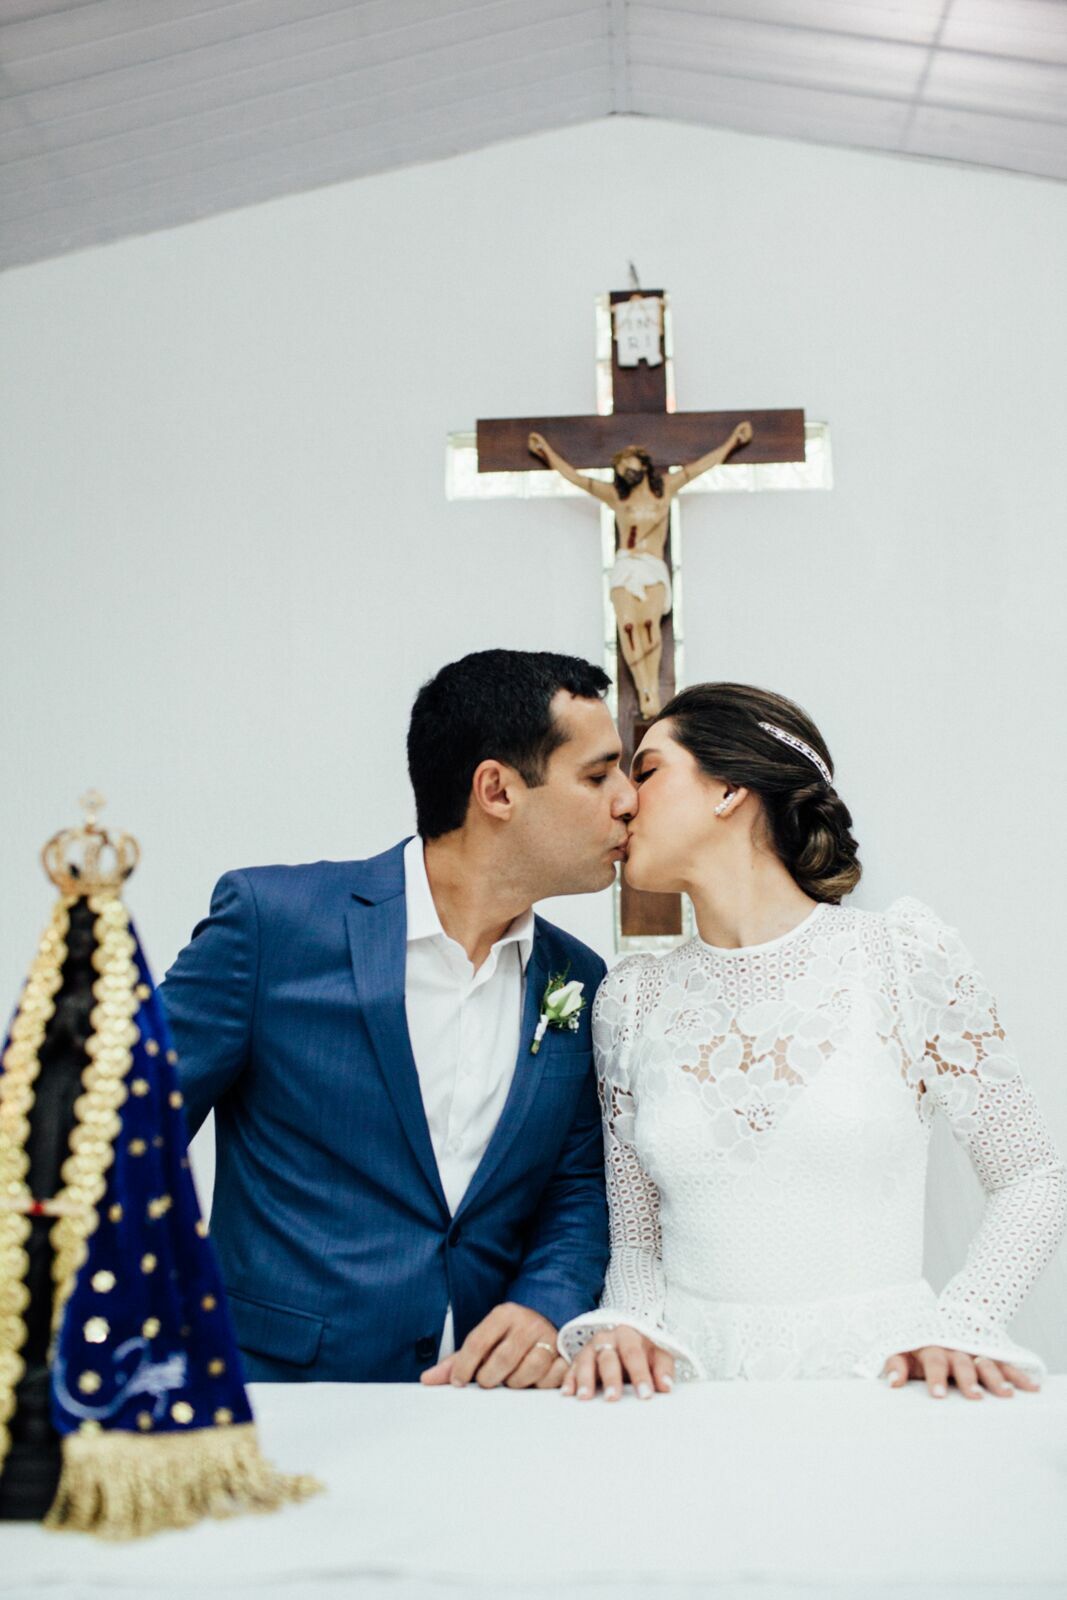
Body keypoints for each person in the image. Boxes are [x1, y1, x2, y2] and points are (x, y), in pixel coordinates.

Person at [557, 683, 1066, 1400]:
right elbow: (636, 1238)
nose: (621, 801)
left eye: (644, 771)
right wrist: (631, 1326)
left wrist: (967, 1319)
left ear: (729, 787)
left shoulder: (900, 957)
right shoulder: (630, 1000)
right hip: (692, 1393)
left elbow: (1030, 1177)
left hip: (880, 1384)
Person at [160, 650, 637, 1386]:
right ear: (496, 790)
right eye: (598, 774)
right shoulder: (273, 926)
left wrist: (545, 1305)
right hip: (277, 1395)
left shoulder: (577, 976)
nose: (627, 799)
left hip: (488, 1408)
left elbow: (576, 1186)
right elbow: (119, 1136)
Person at [527, 426, 752, 717]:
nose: (623, 469)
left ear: (643, 464)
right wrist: (546, 451)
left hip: (652, 567)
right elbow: (576, 478)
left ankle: (652, 692)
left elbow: (701, 467)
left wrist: (733, 441)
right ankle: (644, 690)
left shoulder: (665, 490)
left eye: (628, 461)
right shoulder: (617, 498)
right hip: (625, 567)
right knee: (629, 628)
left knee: (649, 626)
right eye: (619, 466)